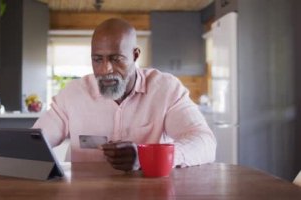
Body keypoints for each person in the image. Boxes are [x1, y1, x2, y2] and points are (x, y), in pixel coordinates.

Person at [33, 18, 216, 171]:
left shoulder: (166, 89)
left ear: (135, 55)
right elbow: (36, 140)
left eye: (116, 58)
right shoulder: (73, 94)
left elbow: (204, 142)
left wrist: (145, 156)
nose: (105, 70)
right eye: (97, 60)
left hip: (148, 192)